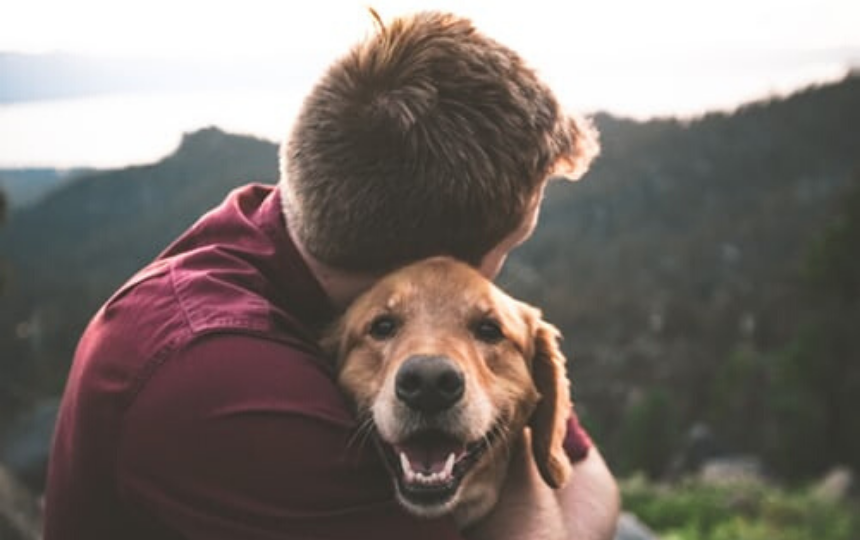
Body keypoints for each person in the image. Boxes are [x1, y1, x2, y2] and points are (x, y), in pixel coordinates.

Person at [44, 10, 619, 540]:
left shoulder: (306, 233)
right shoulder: (223, 384)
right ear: (438, 263)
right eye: (509, 247)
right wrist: (515, 446)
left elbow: (590, 477)